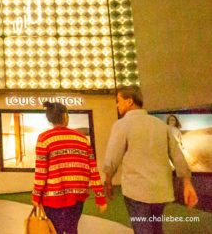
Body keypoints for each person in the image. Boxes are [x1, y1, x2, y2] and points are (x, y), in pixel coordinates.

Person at [103, 87, 198, 234]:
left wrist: (108, 181)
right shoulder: (161, 125)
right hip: (161, 192)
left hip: (136, 192)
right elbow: (177, 156)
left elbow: (112, 157)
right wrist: (187, 183)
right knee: (156, 228)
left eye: (118, 101)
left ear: (129, 101)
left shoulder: (122, 125)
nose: (117, 105)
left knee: (142, 230)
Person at [32, 101, 106, 234]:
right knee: (72, 229)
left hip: (52, 198)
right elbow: (93, 170)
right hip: (77, 197)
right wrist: (100, 197)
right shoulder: (82, 139)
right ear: (66, 116)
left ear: (50, 119)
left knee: (55, 230)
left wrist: (36, 197)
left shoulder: (44, 138)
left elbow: (41, 172)